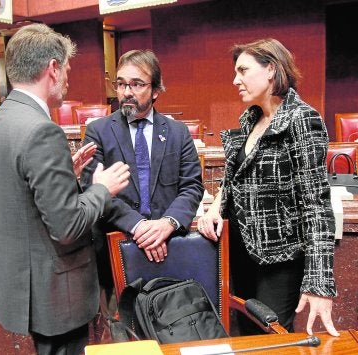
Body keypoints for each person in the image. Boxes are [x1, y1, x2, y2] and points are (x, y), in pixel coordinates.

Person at [0, 23, 130, 355]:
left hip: (19, 281)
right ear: (52, 68)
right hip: (54, 291)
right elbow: (67, 226)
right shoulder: (42, 131)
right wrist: (101, 189)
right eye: (67, 70)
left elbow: (21, 189)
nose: (68, 79)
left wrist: (66, 175)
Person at [197, 38, 339, 336]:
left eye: (243, 70)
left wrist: (320, 285)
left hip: (279, 256)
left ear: (271, 69)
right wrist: (215, 206)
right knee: (245, 335)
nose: (236, 80)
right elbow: (234, 177)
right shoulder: (252, 118)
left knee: (272, 339)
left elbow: (317, 204)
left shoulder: (302, 119)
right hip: (240, 248)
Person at [80, 49, 204, 300]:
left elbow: (192, 186)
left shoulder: (178, 133)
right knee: (120, 332)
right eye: (122, 84)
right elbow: (92, 188)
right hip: (116, 247)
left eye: (137, 84)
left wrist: (166, 224)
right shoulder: (98, 131)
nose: (127, 92)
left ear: (156, 90)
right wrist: (138, 226)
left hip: (169, 248)